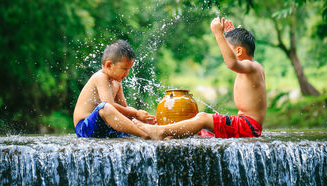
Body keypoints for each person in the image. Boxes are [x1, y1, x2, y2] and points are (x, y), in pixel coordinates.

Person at [133, 17, 267, 140]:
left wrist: (218, 34)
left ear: (238, 51)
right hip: (246, 125)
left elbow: (231, 62)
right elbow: (234, 57)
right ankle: (169, 132)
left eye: (228, 48)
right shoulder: (250, 67)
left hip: (247, 127)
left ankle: (161, 131)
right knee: (200, 129)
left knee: (202, 118)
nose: (224, 53)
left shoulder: (252, 67)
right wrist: (231, 35)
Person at [73, 39, 156, 139]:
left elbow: (124, 108)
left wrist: (141, 116)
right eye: (124, 69)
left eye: (129, 69)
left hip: (105, 128)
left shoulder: (117, 82)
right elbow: (109, 105)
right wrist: (136, 113)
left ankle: (154, 130)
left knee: (134, 117)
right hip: (85, 128)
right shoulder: (100, 77)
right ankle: (145, 135)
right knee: (105, 107)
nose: (127, 73)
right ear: (109, 65)